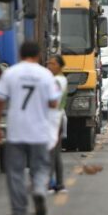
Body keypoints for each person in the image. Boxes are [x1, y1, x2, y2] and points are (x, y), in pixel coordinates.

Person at [0, 41, 61, 215]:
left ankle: (19, 212)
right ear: (39, 55)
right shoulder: (46, 75)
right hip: (39, 132)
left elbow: (0, 99)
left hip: (16, 131)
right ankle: (39, 189)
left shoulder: (10, 73)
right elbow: (54, 103)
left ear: (20, 55)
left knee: (15, 172)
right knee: (39, 167)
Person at [46, 55, 68, 194]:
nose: (49, 66)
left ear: (59, 66)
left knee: (51, 153)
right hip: (57, 118)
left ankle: (52, 184)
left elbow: (52, 101)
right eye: (48, 63)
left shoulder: (56, 81)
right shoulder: (61, 79)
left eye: (53, 64)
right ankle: (58, 183)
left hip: (54, 119)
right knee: (55, 154)